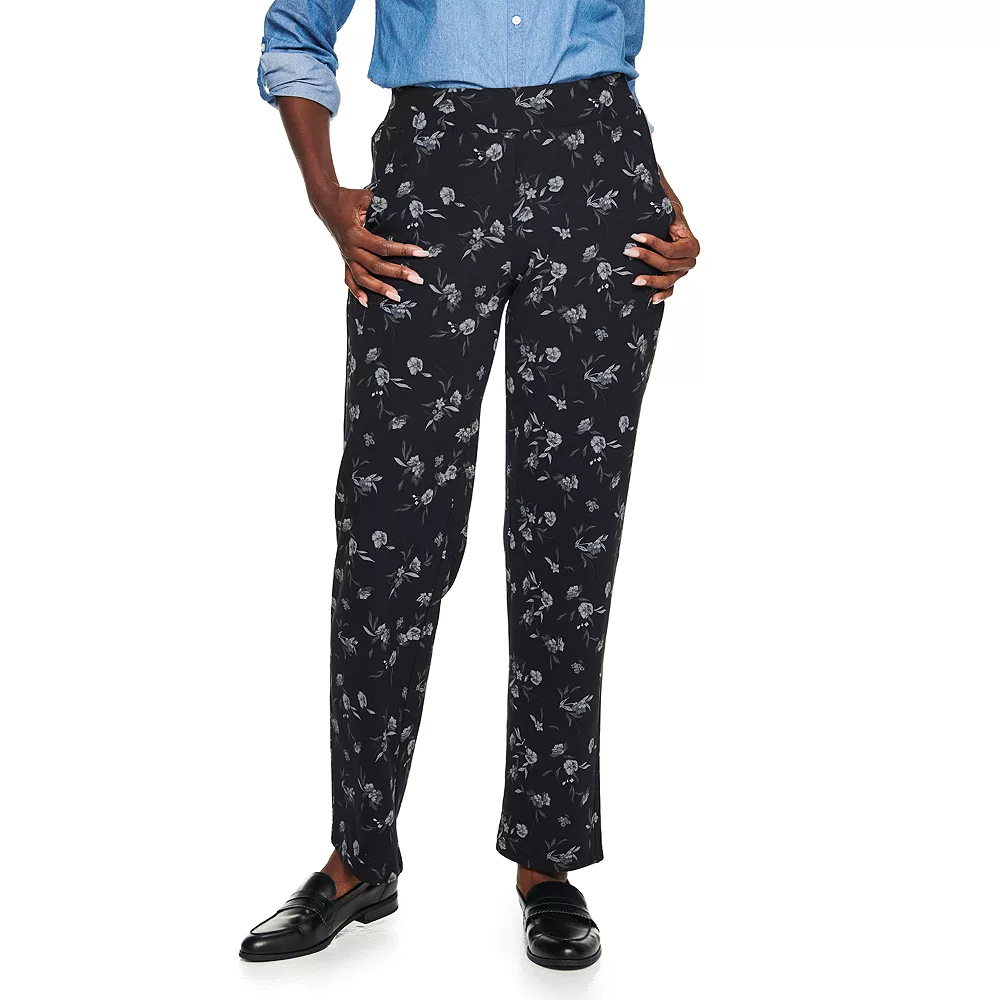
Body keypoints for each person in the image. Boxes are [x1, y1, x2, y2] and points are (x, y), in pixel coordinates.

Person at [240, 0, 700, 970]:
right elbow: (296, 33)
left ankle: (548, 860)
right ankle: (358, 856)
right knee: (389, 532)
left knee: (569, 534)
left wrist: (659, 195)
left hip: (600, 180)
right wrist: (327, 199)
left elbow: (611, 56)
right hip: (434, 170)